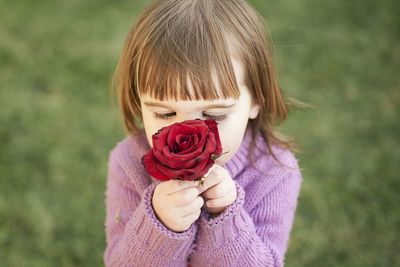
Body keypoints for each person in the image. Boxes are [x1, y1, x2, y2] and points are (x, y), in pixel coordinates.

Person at [104, 0, 304, 266]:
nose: (186, 130)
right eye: (164, 113)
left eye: (214, 115)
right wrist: (159, 224)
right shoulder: (129, 162)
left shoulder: (274, 171)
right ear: (139, 104)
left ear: (257, 100)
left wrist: (225, 218)